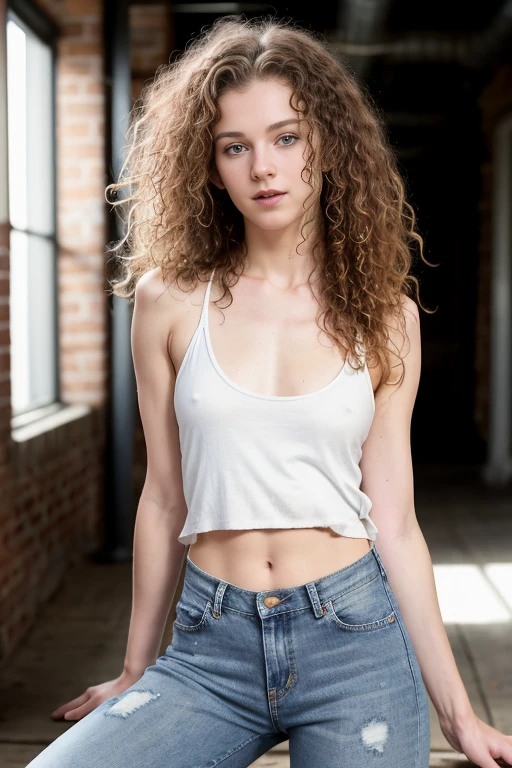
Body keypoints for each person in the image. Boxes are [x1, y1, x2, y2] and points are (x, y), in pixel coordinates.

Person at [28, 14, 512, 768]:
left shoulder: (388, 318)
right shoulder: (169, 301)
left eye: (286, 137)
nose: (264, 166)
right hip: (208, 648)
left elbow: (397, 523)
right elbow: (163, 497)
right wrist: (135, 667)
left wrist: (460, 713)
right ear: (210, 166)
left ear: (326, 145)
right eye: (235, 146)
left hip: (355, 643)